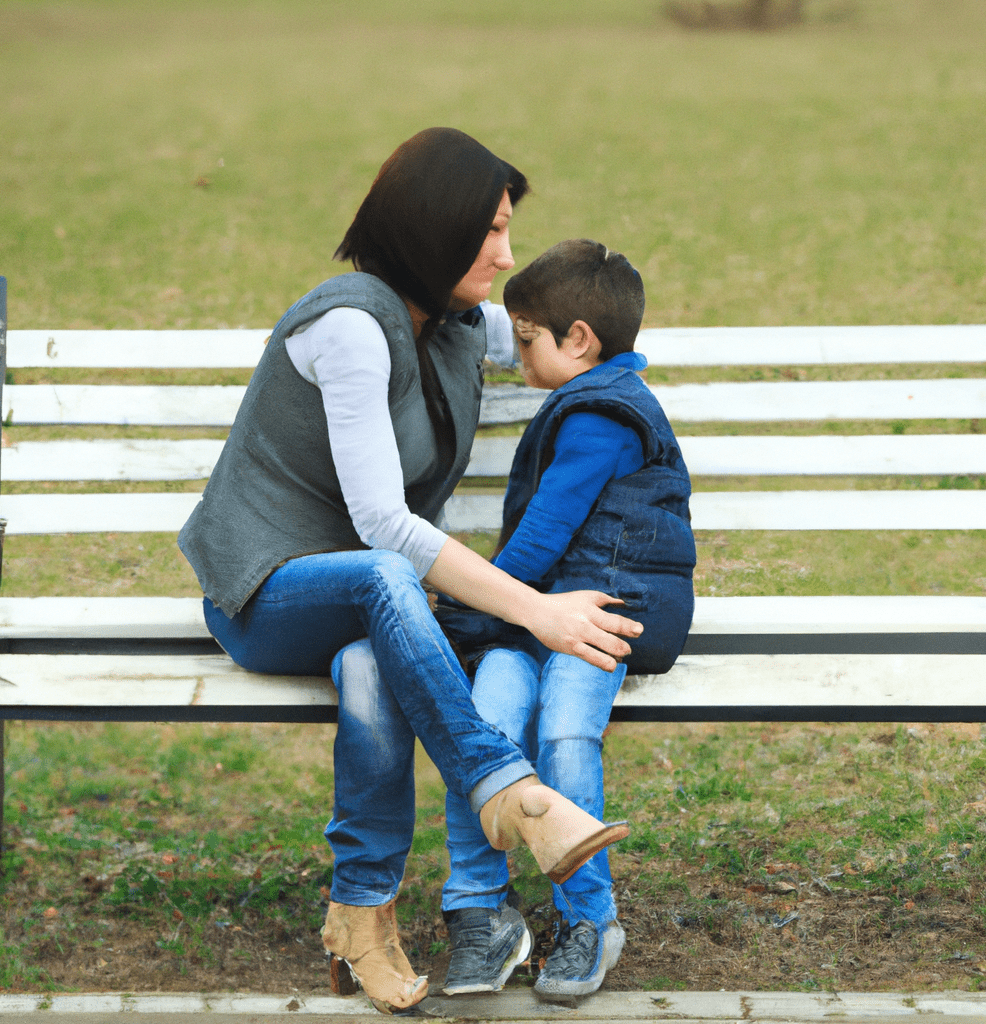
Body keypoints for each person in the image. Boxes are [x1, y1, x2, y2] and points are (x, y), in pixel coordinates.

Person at [177, 130, 642, 1014]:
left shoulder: (460, 321)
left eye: (509, 233)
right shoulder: (350, 327)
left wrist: (618, 386)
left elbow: (576, 340)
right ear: (434, 229)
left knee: (369, 663)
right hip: (268, 591)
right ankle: (507, 790)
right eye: (491, 234)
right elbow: (382, 525)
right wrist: (538, 611)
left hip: (366, 607)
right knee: (387, 577)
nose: (506, 258)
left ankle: (364, 915)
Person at [433, 239, 696, 1001]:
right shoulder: (583, 402)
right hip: (538, 618)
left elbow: (544, 535)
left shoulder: (600, 419)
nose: (516, 355)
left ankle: (591, 918)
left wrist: (468, 608)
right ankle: (483, 910)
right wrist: (500, 613)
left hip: (599, 620)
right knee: (484, 727)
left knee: (563, 733)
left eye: (525, 339)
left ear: (578, 340)